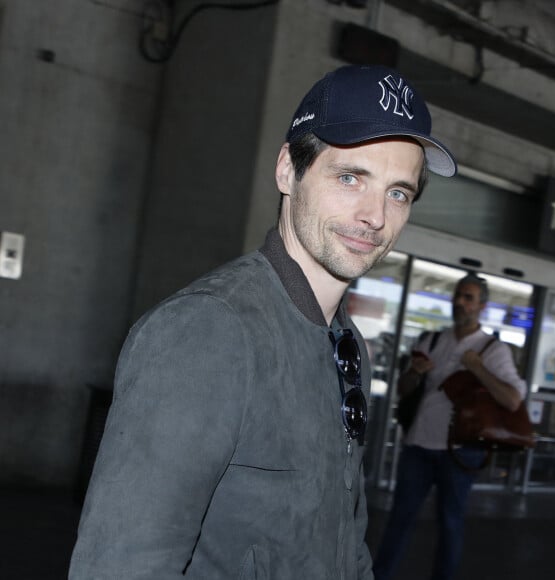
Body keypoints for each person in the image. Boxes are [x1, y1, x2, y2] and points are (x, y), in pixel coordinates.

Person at [68, 64, 456, 579]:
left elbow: (347, 538)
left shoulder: (347, 348)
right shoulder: (209, 331)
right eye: (349, 178)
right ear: (287, 171)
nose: (376, 217)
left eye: (398, 193)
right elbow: (121, 566)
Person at [373, 274, 527, 580]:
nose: (460, 302)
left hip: (459, 452)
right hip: (418, 445)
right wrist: (414, 374)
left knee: (450, 524)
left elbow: (512, 400)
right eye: (458, 295)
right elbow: (404, 389)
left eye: (468, 297)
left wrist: (478, 368)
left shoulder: (493, 349)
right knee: (399, 520)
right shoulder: (431, 340)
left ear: (482, 305)